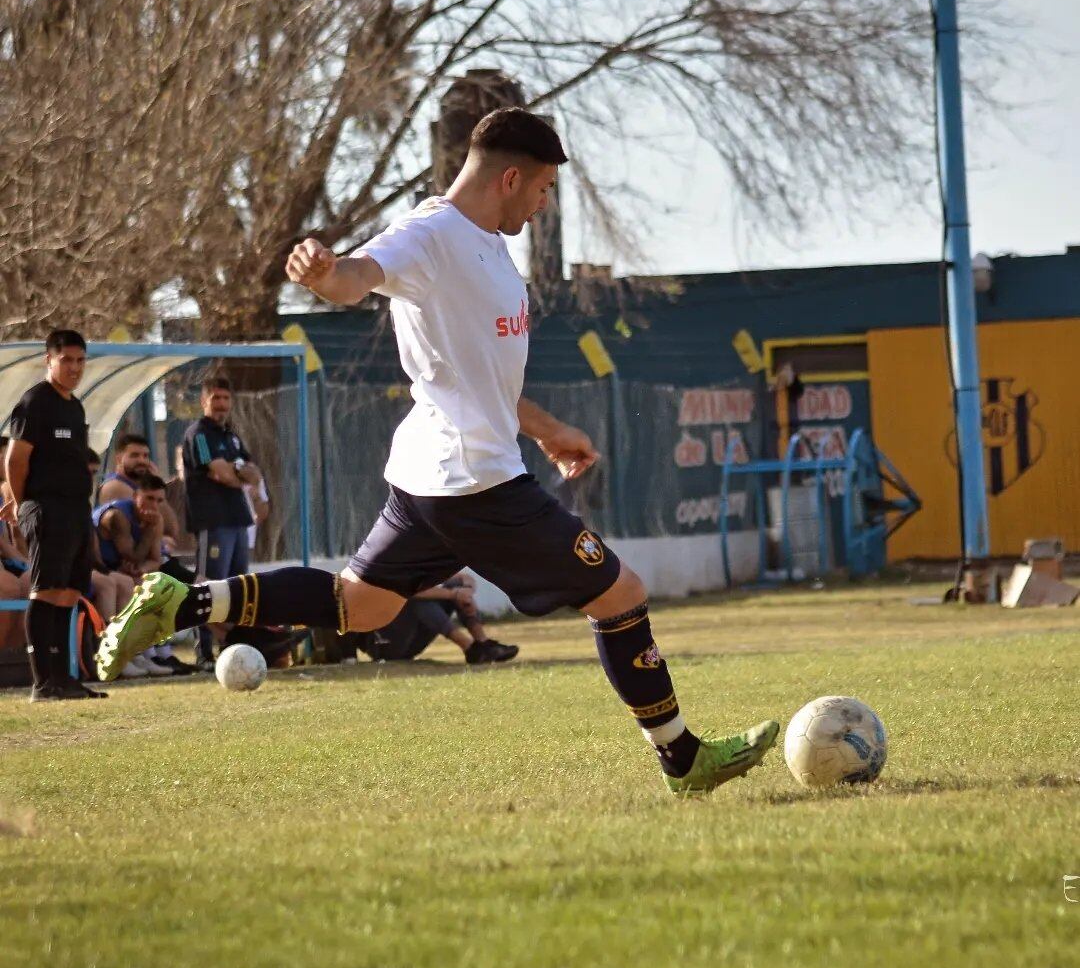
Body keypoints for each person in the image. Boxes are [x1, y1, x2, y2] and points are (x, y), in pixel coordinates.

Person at [97, 108, 777, 792]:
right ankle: (683, 759)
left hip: (433, 474)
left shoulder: (487, 242)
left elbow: (478, 375)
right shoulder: (430, 234)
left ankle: (181, 601)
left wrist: (544, 429)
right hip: (475, 482)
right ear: (510, 178)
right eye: (541, 190)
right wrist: (322, 273)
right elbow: (357, 276)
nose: (543, 206)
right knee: (621, 595)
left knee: (361, 605)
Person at [3, 330, 107, 700]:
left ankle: (65, 678)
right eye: (66, 360)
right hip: (47, 508)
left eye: (80, 360)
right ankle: (42, 681)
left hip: (77, 509)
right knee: (45, 591)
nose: (75, 368)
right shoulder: (36, 402)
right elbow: (16, 459)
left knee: (68, 593)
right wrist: (20, 502)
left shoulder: (74, 406)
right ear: (49, 360)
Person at [181, 377, 263, 670]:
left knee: (238, 587)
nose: (221, 405)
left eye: (226, 399)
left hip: (238, 518)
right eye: (216, 398)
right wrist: (235, 472)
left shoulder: (232, 436)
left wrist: (236, 471)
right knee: (208, 585)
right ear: (204, 400)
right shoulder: (199, 434)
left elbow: (253, 473)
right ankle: (203, 652)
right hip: (213, 520)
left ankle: (235, 647)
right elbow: (220, 473)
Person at [363, 571, 518, 664]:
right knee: (415, 599)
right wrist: (455, 594)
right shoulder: (388, 561)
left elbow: (464, 578)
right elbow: (410, 591)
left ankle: (483, 645)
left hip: (412, 640)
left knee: (455, 584)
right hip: (387, 644)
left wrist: (466, 593)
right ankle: (470, 648)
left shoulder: (421, 560)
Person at [98, 432, 180, 556]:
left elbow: (171, 530)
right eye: (134, 456)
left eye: (145, 456)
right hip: (124, 564)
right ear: (119, 459)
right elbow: (138, 535)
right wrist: (159, 541)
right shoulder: (115, 486)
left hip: (151, 559)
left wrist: (156, 482)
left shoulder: (142, 487)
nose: (141, 461)